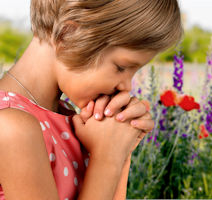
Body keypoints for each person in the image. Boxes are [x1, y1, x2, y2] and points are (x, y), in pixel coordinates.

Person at [0, 0, 183, 199]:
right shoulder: (10, 128)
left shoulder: (66, 118)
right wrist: (107, 158)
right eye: (121, 67)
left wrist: (120, 147)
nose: (127, 87)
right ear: (68, 35)